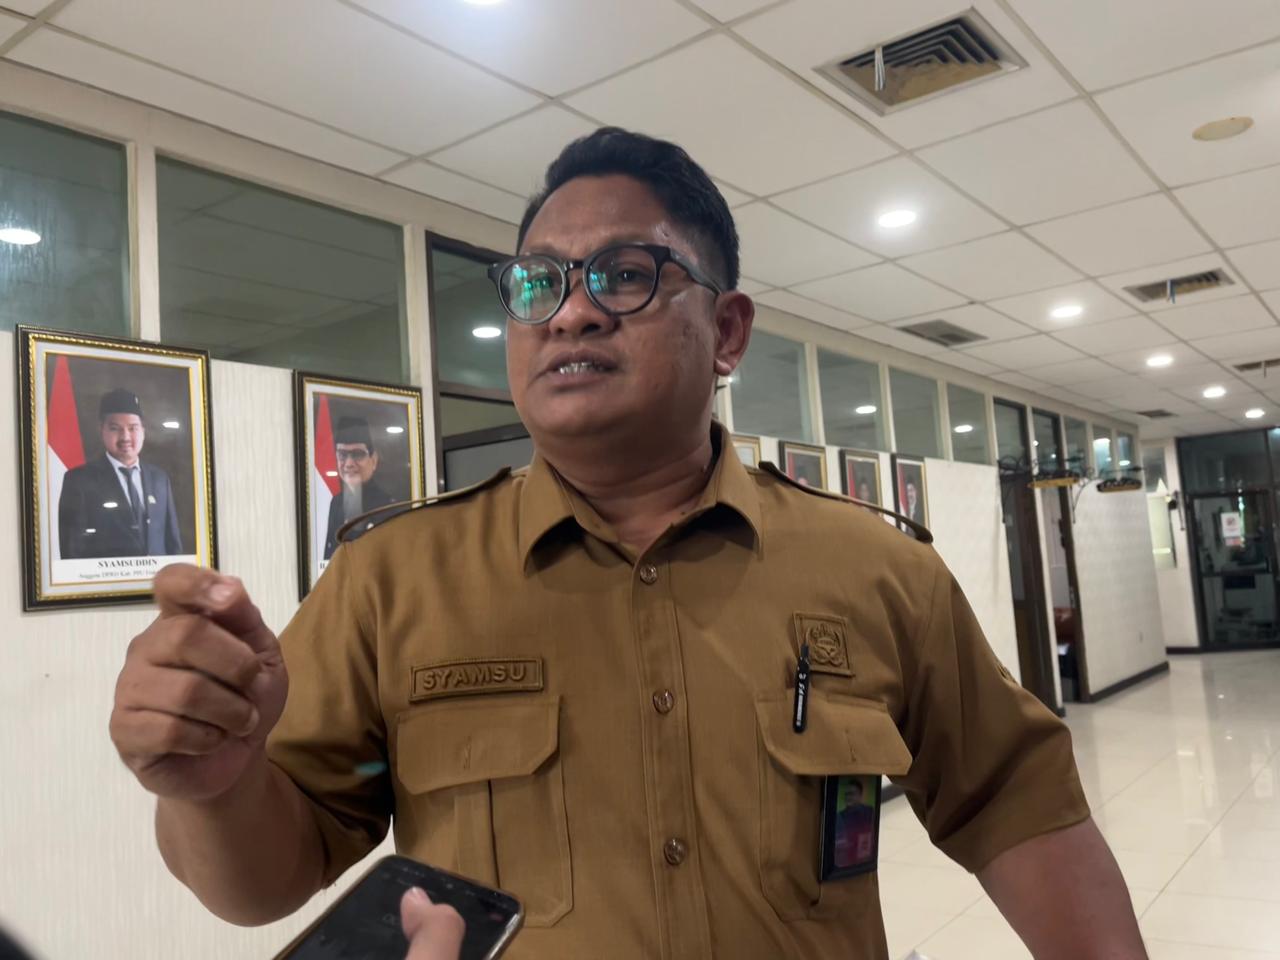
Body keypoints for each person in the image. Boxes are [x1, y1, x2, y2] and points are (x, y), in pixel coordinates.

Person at [108, 128, 1148, 959]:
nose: (569, 314)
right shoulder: (390, 580)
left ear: (727, 332)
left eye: (624, 275)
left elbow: (1018, 808)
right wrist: (215, 785)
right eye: (538, 283)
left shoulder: (877, 570)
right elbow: (263, 884)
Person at [58, 388, 182, 559]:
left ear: (143, 431)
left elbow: (173, 545)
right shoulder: (79, 481)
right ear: (102, 430)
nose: (125, 437)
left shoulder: (159, 479)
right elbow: (72, 551)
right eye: (115, 428)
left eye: (133, 428)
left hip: (158, 577)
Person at [322, 416, 400, 560]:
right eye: (342, 455)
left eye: (357, 454)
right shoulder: (336, 503)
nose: (349, 463)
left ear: (374, 460)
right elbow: (329, 558)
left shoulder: (388, 507)